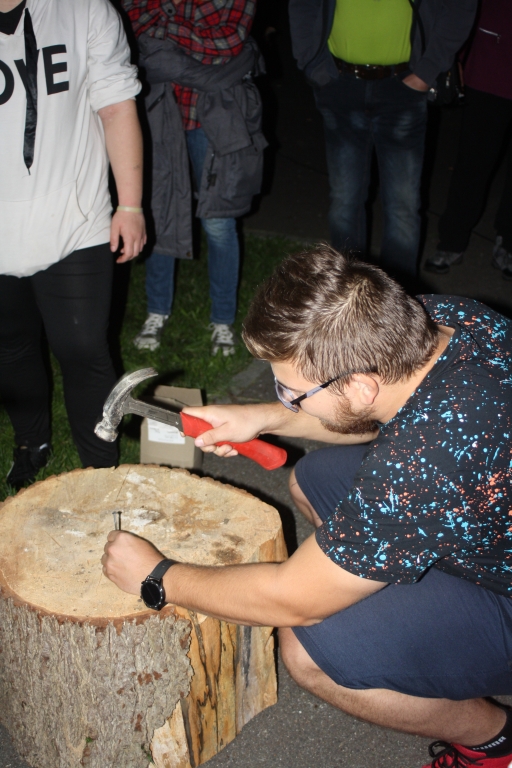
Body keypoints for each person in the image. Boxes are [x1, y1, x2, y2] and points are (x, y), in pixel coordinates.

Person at [103, 245, 512, 768]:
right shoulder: (445, 319)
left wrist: (158, 577)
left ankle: (493, 742)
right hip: (482, 516)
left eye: (291, 392)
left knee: (307, 648)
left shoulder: (422, 465)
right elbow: (367, 412)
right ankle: (379, 587)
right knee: (312, 478)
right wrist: (264, 416)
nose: (285, 399)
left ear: (360, 384)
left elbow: (291, 600)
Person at [0, 0, 146, 489]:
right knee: (10, 347)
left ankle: (100, 469)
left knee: (82, 347)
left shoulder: (82, 8)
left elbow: (116, 105)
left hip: (76, 219)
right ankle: (31, 440)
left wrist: (130, 205)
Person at [287, 0, 477, 281]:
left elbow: (461, 7)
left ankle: (399, 299)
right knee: (344, 202)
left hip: (404, 86)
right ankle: (348, 297)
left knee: (403, 206)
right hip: (340, 83)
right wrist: (313, 64)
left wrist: (427, 71)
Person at [122, 0, 266, 356]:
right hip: (160, 112)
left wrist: (169, 35)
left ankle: (223, 319)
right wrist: (195, 42)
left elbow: (230, 43)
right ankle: (157, 311)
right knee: (160, 212)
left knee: (219, 223)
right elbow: (135, 33)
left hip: (216, 116)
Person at [426, 0, 512, 280]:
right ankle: (452, 241)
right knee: (472, 163)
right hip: (489, 70)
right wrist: (459, 57)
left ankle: (508, 244)